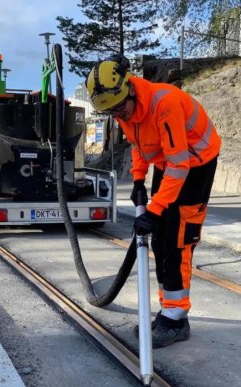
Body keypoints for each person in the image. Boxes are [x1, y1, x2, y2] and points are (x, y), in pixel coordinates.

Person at [86, 56, 221, 348]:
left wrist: (156, 209)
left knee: (177, 241)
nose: (118, 114)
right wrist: (137, 179)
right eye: (112, 111)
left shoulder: (164, 103)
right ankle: (169, 310)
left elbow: (180, 165)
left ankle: (176, 320)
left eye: (120, 107)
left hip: (195, 164)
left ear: (131, 89)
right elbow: (138, 142)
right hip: (169, 162)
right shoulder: (123, 107)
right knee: (160, 240)